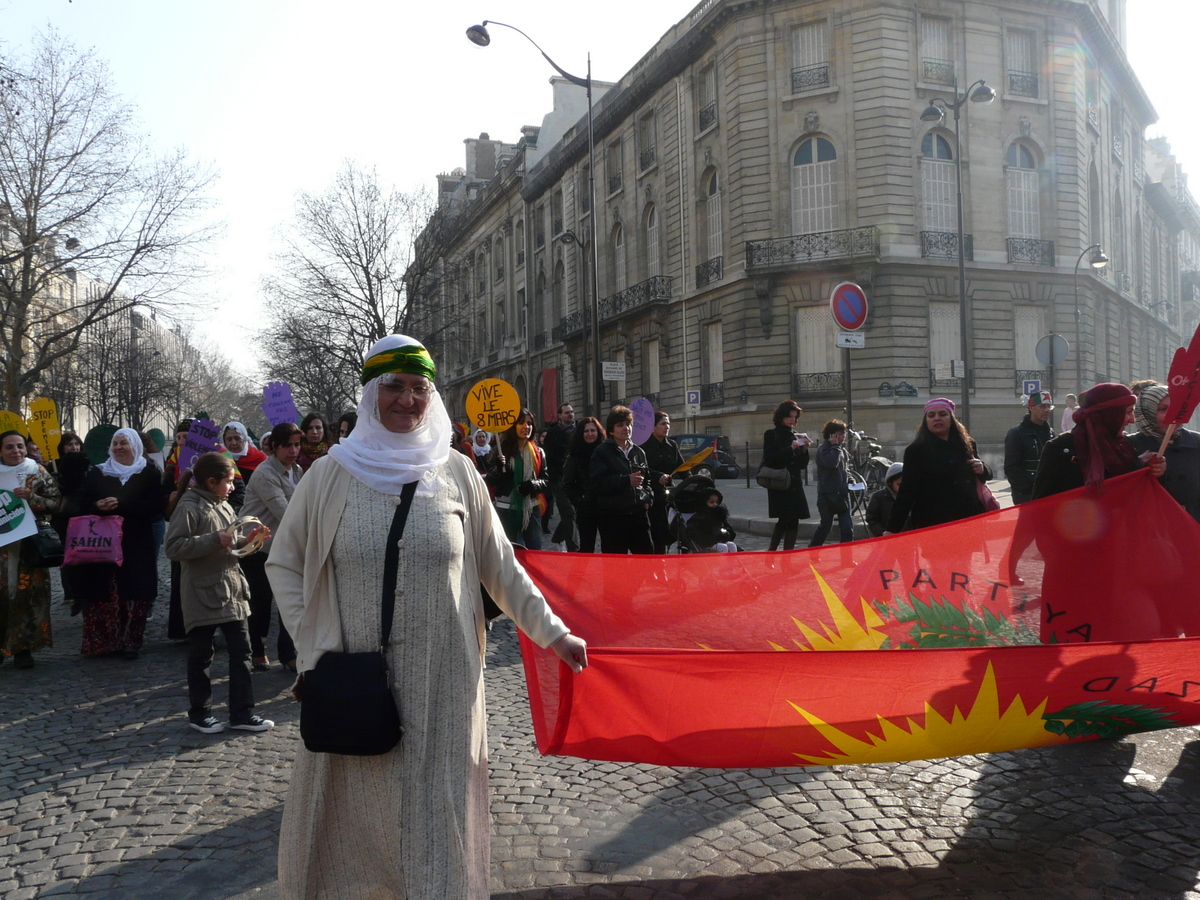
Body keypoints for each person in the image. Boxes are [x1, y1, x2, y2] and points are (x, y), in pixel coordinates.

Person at [266, 334, 586, 900]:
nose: (407, 400)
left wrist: (553, 633)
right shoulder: (329, 474)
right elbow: (284, 563)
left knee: (439, 812)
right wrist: (317, 651)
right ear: (370, 393)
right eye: (393, 386)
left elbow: (500, 566)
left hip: (445, 676)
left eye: (419, 388)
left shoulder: (458, 471)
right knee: (359, 810)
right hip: (357, 676)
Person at [165, 452, 274, 734]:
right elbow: (174, 547)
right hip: (202, 592)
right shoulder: (189, 506)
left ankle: (242, 713)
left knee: (242, 651)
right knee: (202, 655)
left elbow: (229, 540)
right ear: (211, 482)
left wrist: (249, 540)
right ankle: (200, 713)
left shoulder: (223, 504)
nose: (234, 487)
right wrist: (214, 540)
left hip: (232, 589)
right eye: (228, 482)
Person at [79, 428, 166, 659]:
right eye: (115, 443)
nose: (118, 447)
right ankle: (104, 642)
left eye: (124, 443)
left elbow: (155, 508)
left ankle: (130, 641)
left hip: (136, 542)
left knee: (135, 592)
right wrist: (98, 506)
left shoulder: (148, 473)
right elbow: (83, 503)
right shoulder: (98, 472)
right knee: (105, 592)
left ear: (135, 446)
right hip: (102, 543)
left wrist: (122, 504)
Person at [240, 422, 303, 672]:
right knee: (260, 601)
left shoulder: (297, 470)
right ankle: (257, 650)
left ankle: (287, 653)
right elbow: (284, 511)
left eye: (297, 444)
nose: (293, 450)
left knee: (288, 599)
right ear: (274, 446)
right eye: (287, 445)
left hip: (284, 543)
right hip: (257, 544)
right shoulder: (265, 472)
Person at [1033, 382, 1166, 499]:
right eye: (1127, 412)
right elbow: (1040, 505)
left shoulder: (1125, 447)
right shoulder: (1059, 447)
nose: (1132, 419)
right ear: (1109, 415)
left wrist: (1145, 466)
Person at [0, 431, 62, 669]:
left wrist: (32, 498)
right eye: (9, 447)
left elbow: (56, 502)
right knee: (3, 595)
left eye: (19, 446)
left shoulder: (37, 472)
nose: (16, 451)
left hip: (30, 544)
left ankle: (22, 648)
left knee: (28, 595)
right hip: (3, 545)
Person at [886, 399, 993, 533]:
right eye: (931, 415)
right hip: (933, 521)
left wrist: (983, 469)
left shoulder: (967, 444)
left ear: (952, 418)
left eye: (943, 414)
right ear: (926, 420)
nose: (937, 418)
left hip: (967, 517)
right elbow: (907, 491)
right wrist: (892, 529)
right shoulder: (916, 450)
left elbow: (983, 476)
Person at [1128, 383, 1200, 522]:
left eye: (1175, 408)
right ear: (1147, 412)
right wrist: (1140, 466)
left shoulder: (1197, 442)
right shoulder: (1129, 446)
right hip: (1153, 531)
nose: (1172, 415)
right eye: (1163, 409)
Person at [588, 406, 654, 555]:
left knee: (646, 561)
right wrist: (625, 480)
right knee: (615, 566)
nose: (626, 428)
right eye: (620, 425)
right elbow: (598, 483)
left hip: (638, 516)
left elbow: (647, 480)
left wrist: (648, 499)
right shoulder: (602, 452)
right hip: (613, 518)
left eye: (628, 424)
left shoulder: (638, 452)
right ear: (611, 430)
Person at [485, 409, 548, 550]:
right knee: (509, 553)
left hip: (531, 509)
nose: (526, 426)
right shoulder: (501, 451)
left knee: (534, 552)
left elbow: (546, 480)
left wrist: (532, 485)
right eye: (521, 423)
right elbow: (491, 480)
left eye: (529, 423)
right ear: (512, 426)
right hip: (506, 509)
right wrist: (499, 468)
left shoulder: (538, 452)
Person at [762, 400, 811, 551]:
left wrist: (804, 450)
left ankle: (788, 555)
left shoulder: (796, 435)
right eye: (790, 416)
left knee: (794, 520)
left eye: (795, 417)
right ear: (782, 416)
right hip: (780, 483)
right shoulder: (771, 434)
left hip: (795, 483)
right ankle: (772, 551)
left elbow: (802, 465)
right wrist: (790, 449)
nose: (792, 420)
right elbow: (770, 458)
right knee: (784, 519)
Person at [51, 436, 92, 616]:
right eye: (70, 444)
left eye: (77, 444)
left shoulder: (87, 463)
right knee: (69, 558)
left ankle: (82, 595)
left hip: (83, 515)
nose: (74, 447)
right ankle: (74, 593)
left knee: (85, 557)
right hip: (64, 518)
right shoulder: (54, 468)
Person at [641, 410, 683, 554]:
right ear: (653, 427)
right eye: (663, 424)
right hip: (651, 497)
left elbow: (682, 468)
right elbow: (641, 469)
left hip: (668, 497)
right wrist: (657, 476)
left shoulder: (672, 445)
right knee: (655, 536)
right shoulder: (643, 446)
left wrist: (693, 483)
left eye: (668, 424)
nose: (667, 427)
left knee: (667, 534)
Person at [1003, 391, 1056, 505]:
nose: (1047, 410)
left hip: (1049, 492)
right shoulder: (1016, 433)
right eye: (1042, 406)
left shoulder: (1051, 433)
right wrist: (1026, 490)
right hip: (1027, 496)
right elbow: (1011, 468)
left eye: (1049, 406)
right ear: (1031, 408)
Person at [562, 417, 604, 553]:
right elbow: (567, 484)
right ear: (581, 433)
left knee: (610, 548)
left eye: (593, 430)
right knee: (587, 547)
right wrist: (579, 502)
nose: (590, 434)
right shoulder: (574, 456)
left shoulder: (606, 452)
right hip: (586, 509)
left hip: (607, 506)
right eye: (586, 431)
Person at [810, 419, 853, 546]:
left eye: (844, 433)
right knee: (825, 527)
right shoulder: (823, 449)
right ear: (832, 435)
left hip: (842, 495)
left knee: (847, 528)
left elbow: (845, 469)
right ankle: (813, 550)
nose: (843, 436)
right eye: (840, 433)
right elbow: (832, 463)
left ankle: (847, 556)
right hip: (826, 496)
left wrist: (851, 480)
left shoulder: (842, 450)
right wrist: (835, 446)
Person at [543, 403, 578, 551]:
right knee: (569, 513)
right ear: (560, 415)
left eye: (571, 412)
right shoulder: (553, 432)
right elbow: (549, 457)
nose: (570, 415)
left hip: (577, 479)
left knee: (574, 513)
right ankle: (573, 549)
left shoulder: (579, 430)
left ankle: (558, 537)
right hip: (559, 479)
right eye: (566, 413)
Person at [683, 485, 738, 553]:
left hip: (720, 541)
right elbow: (695, 534)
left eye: (716, 502)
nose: (715, 504)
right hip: (706, 545)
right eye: (712, 502)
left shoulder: (719, 515)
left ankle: (732, 562)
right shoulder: (698, 517)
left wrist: (726, 534)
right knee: (722, 548)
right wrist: (711, 539)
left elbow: (730, 531)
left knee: (731, 545)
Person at [865, 462, 904, 538]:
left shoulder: (911, 497)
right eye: (899, 484)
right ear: (890, 483)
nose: (903, 488)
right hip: (885, 539)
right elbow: (871, 519)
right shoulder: (878, 497)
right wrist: (882, 533)